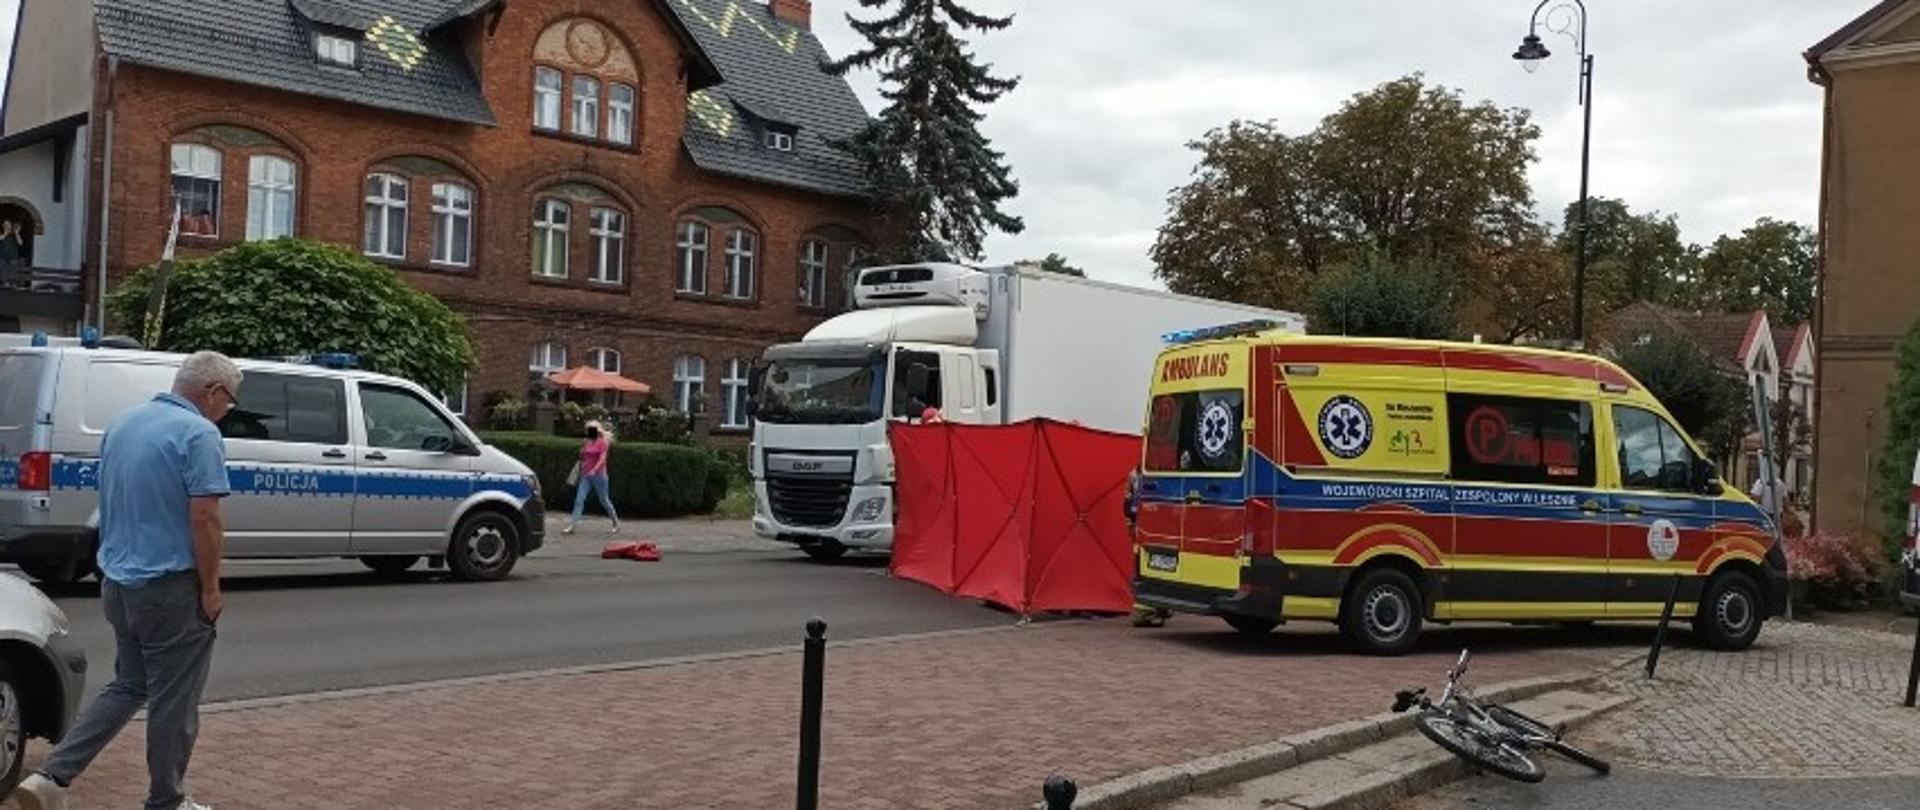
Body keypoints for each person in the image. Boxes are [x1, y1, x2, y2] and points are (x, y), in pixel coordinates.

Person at [12, 351, 240, 810]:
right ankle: (166, 800)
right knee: (174, 703)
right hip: (170, 586)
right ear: (212, 392)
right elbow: (205, 515)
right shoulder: (199, 433)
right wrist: (212, 587)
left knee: (128, 685)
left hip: (119, 581)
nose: (227, 410)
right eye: (229, 401)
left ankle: (52, 778)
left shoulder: (125, 423)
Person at [563, 420, 619, 534]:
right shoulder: (587, 442)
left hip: (599, 475)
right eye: (588, 429)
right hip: (585, 475)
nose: (589, 432)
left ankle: (615, 522)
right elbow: (583, 456)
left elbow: (602, 459)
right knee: (579, 499)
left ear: (597, 430)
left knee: (604, 500)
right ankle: (573, 525)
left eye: (591, 429)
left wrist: (594, 470)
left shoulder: (603, 442)